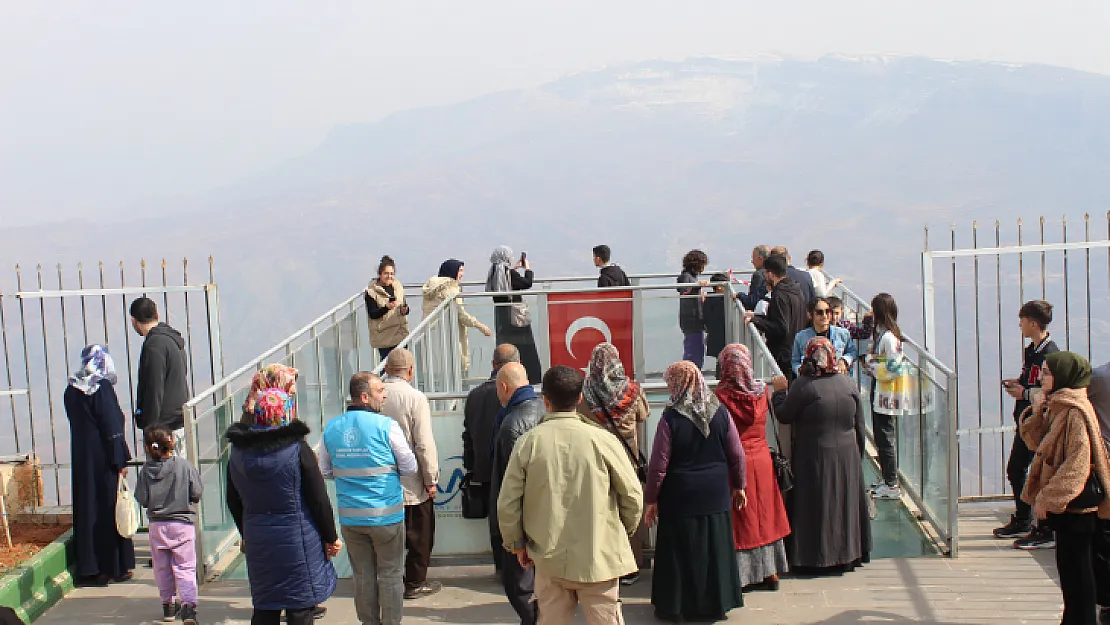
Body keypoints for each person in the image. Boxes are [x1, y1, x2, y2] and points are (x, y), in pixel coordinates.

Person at [497, 366, 643, 625]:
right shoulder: (604, 440)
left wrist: (517, 544)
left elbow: (507, 503)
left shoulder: (528, 443)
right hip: (599, 557)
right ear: (579, 398)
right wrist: (621, 532)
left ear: (546, 399)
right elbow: (632, 495)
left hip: (549, 559)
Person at [226, 388, 341, 625]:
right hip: (298, 539)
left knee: (265, 604)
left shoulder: (237, 453)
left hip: (259, 538)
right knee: (299, 605)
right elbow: (318, 498)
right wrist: (331, 536)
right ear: (287, 413)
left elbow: (233, 500)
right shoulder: (298, 450)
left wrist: (247, 532)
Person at [645, 361, 745, 621]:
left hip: (680, 496)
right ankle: (717, 604)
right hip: (715, 493)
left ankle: (676, 607)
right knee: (715, 548)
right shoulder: (720, 411)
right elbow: (736, 454)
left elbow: (658, 465)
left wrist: (652, 499)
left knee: (679, 552)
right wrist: (739, 485)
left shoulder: (671, 417)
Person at [319, 372, 418, 625]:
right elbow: (410, 466)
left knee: (362, 575)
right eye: (380, 391)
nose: (384, 395)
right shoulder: (387, 426)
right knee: (391, 574)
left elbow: (324, 469)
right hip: (386, 515)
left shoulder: (331, 427)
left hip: (351, 517)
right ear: (364, 397)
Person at [1019, 351, 1110, 625]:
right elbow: (1035, 441)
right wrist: (1037, 409)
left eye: (1047, 372)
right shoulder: (1059, 406)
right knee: (1071, 572)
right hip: (1068, 506)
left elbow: (1078, 464)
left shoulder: (1075, 411)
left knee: (1077, 574)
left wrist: (1047, 499)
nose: (1042, 377)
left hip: (1076, 507)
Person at [772, 337, 872, 573]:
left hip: (814, 455)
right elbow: (859, 425)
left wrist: (779, 394)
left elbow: (784, 415)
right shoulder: (847, 384)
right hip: (847, 455)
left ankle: (816, 558)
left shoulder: (804, 386)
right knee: (843, 506)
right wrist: (857, 456)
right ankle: (849, 554)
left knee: (818, 506)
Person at [715, 344, 791, 591]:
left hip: (734, 461)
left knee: (741, 518)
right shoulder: (762, 393)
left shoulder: (721, 398)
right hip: (762, 460)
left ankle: (743, 575)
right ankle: (771, 572)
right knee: (765, 515)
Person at [63, 344, 136, 586]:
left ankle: (90, 567)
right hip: (103, 458)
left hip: (83, 458)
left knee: (88, 508)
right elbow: (112, 426)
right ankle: (113, 567)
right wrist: (120, 459)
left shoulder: (72, 389)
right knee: (108, 509)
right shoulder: (100, 388)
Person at [578, 342, 651, 585]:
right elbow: (643, 415)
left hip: (597, 462)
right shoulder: (632, 389)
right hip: (627, 460)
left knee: (601, 511)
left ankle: (605, 565)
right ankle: (632, 565)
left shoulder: (585, 392)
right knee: (630, 508)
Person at [995, 300, 1061, 549]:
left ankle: (1041, 526)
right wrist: (1020, 383)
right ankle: (1026, 520)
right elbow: (1033, 381)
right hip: (1028, 422)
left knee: (1032, 471)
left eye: (1022, 320)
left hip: (1039, 423)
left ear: (1033, 323)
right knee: (1021, 470)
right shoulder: (1032, 351)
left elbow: (1049, 390)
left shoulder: (1050, 355)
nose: (1019, 324)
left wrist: (1023, 393)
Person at [379, 348, 442, 599]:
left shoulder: (376, 394)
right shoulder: (415, 398)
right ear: (411, 371)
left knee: (387, 536)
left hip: (381, 481)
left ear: (386, 370)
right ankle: (415, 582)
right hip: (411, 481)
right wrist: (431, 479)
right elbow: (423, 443)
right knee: (419, 534)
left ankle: (387, 583)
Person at [489, 362, 545, 625]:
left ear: (504, 387)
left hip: (523, 516)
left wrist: (512, 529)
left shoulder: (511, 423)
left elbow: (512, 483)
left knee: (518, 582)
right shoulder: (545, 408)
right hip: (544, 510)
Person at [135, 426, 203, 625]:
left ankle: (168, 606)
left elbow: (142, 498)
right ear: (171, 443)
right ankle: (188, 608)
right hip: (182, 525)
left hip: (157, 526)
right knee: (185, 567)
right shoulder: (184, 466)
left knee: (162, 568)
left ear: (148, 448)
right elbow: (197, 492)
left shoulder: (146, 471)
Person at [463, 344, 520, 560]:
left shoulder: (475, 395)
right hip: (514, 467)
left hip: (485, 469)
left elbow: (467, 435)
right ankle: (517, 565)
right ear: (518, 364)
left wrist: (472, 467)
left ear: (493, 364)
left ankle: (501, 564)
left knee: (496, 521)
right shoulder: (522, 396)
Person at [863, 293, 911, 500]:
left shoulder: (889, 338)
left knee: (885, 438)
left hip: (887, 393)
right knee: (881, 436)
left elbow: (893, 367)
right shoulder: (886, 334)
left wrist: (871, 364)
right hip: (882, 391)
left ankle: (892, 484)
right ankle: (887, 478)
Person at [130, 296, 189, 456]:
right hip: (177, 421)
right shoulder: (173, 340)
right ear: (157, 315)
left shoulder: (155, 345)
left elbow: (153, 388)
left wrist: (151, 431)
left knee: (163, 477)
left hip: (163, 430)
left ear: (134, 321)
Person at [422, 259, 493, 374]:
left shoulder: (433, 287)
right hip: (447, 334)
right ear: (452, 271)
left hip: (431, 333)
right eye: (460, 270)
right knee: (455, 367)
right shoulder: (450, 289)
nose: (462, 274)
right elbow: (461, 314)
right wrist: (480, 326)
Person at [745, 255, 807, 381]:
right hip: (797, 350)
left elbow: (781, 328)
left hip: (783, 356)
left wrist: (756, 321)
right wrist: (758, 317)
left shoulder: (779, 295)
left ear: (771, 274)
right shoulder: (796, 289)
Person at [487, 245, 543, 384]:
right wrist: (528, 269)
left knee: (506, 349)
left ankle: (506, 377)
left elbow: (506, 283)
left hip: (502, 318)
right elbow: (526, 283)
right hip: (516, 319)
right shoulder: (509, 274)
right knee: (525, 349)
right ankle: (531, 379)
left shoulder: (494, 272)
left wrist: (514, 269)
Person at [790, 297, 858, 376]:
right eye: (819, 312)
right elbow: (795, 361)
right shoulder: (800, 337)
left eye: (827, 311)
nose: (825, 315)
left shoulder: (843, 333)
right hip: (812, 382)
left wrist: (844, 360)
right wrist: (801, 370)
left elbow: (852, 352)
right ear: (810, 315)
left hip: (838, 380)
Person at [677, 249, 709, 368]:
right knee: (693, 354)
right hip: (692, 320)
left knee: (697, 351)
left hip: (694, 320)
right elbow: (685, 292)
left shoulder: (690, 276)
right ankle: (690, 377)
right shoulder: (686, 277)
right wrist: (697, 288)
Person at [703, 272, 730, 361]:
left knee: (720, 360)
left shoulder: (709, 299)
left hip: (715, 337)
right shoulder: (721, 302)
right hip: (723, 337)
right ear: (719, 287)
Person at [738, 245, 771, 311]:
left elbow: (752, 302)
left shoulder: (758, 275)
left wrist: (740, 295)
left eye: (753, 258)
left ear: (760, 258)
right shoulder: (774, 273)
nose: (752, 261)